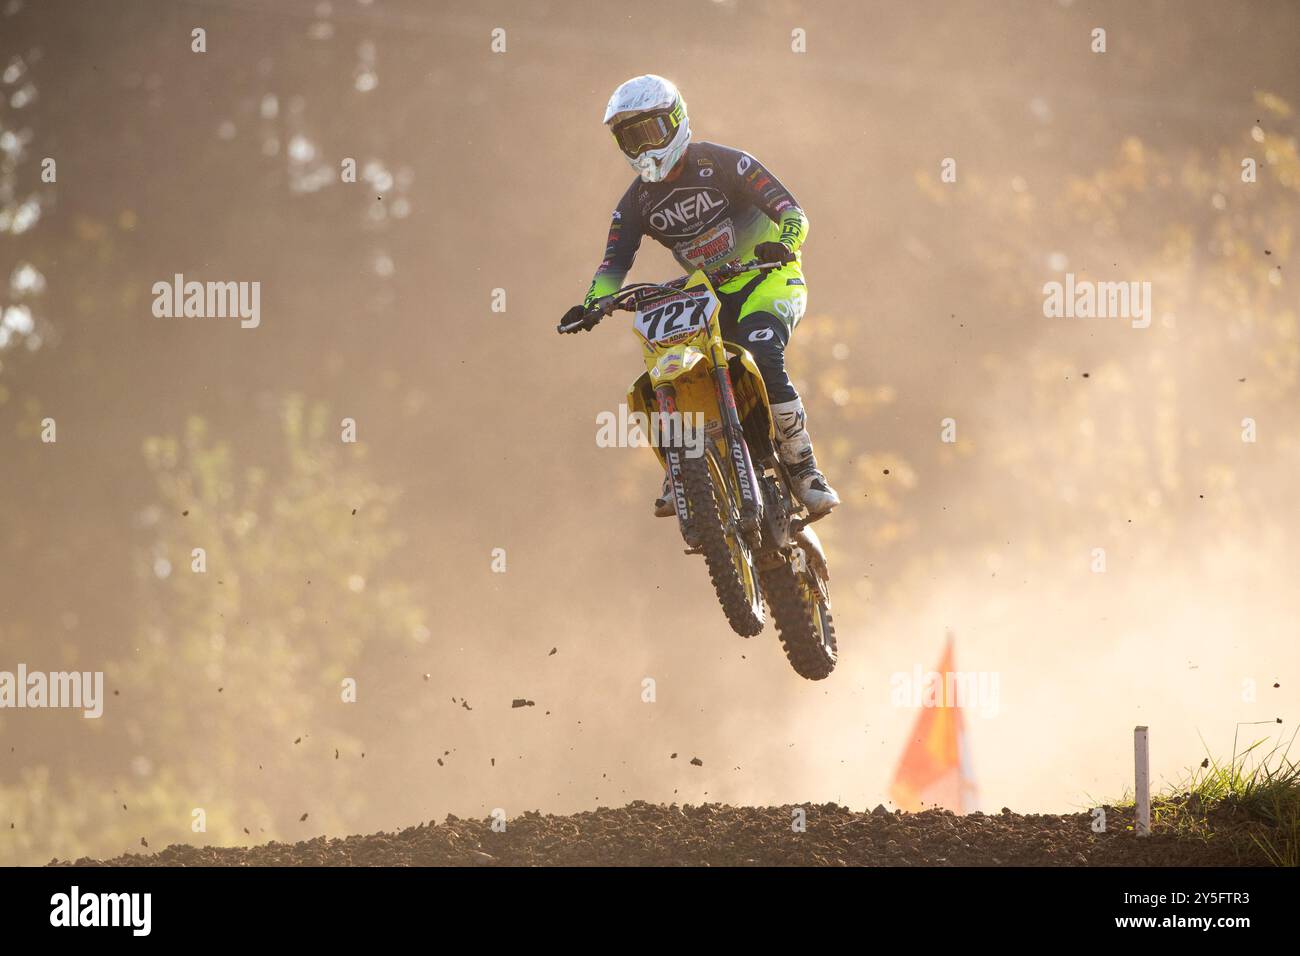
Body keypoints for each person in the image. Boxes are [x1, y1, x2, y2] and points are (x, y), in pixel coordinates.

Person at [558, 74, 839, 517]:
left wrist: (784, 244)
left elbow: (792, 211)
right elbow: (613, 264)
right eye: (629, 139)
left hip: (767, 275)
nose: (641, 148)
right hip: (708, 295)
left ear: (674, 122)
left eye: (648, 133)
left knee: (763, 348)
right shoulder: (634, 204)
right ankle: (684, 466)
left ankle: (803, 467)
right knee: (670, 368)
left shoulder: (726, 164)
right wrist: (594, 304)